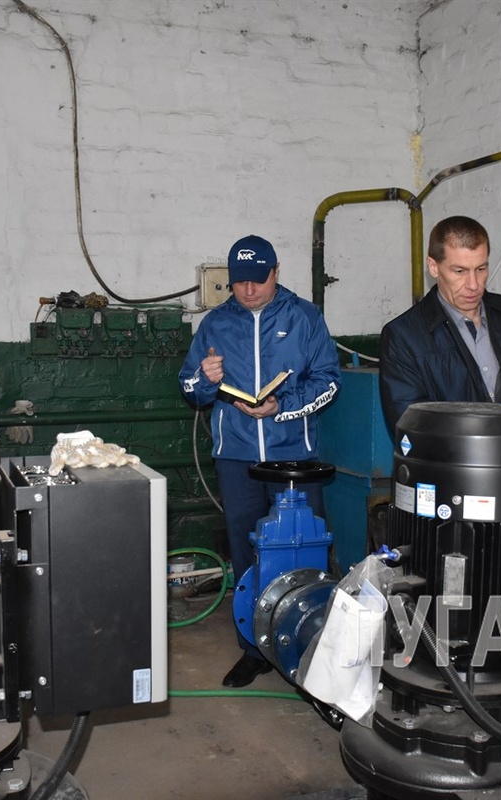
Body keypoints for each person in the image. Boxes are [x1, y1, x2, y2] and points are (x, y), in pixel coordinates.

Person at [179, 234, 341, 688]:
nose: (248, 290)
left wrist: (281, 406)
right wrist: (204, 379)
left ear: (276, 272)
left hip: (295, 457)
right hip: (237, 458)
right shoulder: (215, 324)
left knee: (306, 547)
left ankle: (314, 642)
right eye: (239, 282)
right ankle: (253, 649)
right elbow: (189, 389)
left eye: (258, 280)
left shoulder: (305, 317)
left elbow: (329, 381)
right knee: (246, 550)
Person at [379, 215, 501, 436]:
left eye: (481, 269)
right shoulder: (404, 335)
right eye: (460, 271)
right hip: (450, 458)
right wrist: (480, 436)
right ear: (433, 267)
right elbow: (409, 419)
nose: (473, 284)